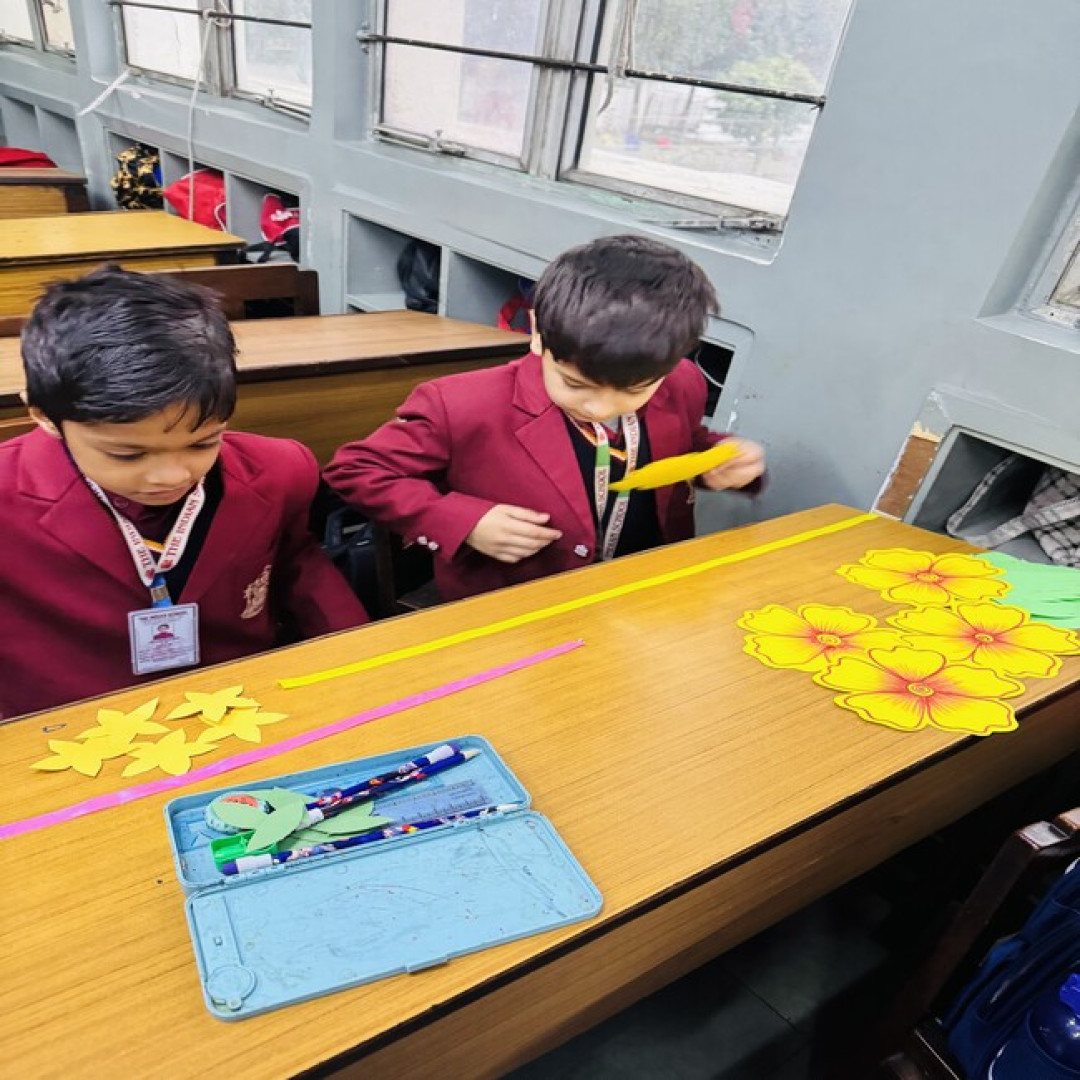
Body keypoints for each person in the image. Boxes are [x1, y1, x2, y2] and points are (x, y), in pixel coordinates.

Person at [0, 266, 369, 719]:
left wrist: (360, 662)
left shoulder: (278, 470)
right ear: (44, 416)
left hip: (240, 703)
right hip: (65, 723)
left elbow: (300, 566)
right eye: (127, 455)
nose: (171, 476)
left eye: (202, 443)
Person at [325, 234, 765, 602]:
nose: (600, 408)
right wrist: (462, 520)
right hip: (517, 604)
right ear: (537, 332)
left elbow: (683, 441)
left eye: (633, 391)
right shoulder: (460, 404)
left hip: (643, 589)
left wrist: (715, 459)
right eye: (574, 384)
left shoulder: (683, 383)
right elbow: (355, 470)